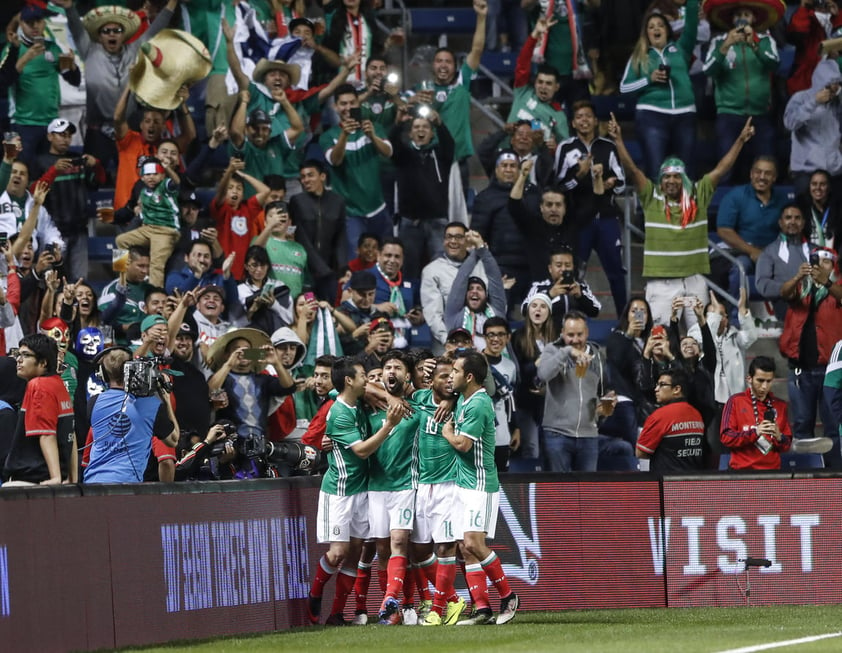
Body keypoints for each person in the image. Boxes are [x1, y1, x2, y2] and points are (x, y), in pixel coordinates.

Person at [608, 111, 755, 327]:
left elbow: (722, 168)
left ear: (684, 178)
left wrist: (741, 140)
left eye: (676, 176)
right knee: (660, 337)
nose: (671, 181)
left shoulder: (698, 194)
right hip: (661, 284)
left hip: (694, 281)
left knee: (701, 338)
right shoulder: (651, 196)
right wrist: (619, 141)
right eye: (666, 176)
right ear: (661, 179)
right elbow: (632, 169)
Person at [306, 357, 404, 625]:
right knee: (338, 552)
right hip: (339, 491)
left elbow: (364, 388)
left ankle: (337, 613)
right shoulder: (337, 414)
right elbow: (361, 451)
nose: (368, 380)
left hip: (362, 490)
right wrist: (388, 426)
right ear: (349, 380)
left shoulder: (357, 398)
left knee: (356, 551)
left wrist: (378, 393)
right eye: (363, 376)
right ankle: (315, 594)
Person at [443, 351, 519, 625]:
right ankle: (483, 609)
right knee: (465, 547)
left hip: (480, 484)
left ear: (470, 376)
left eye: (455, 370)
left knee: (475, 543)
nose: (450, 375)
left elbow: (464, 445)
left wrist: (447, 433)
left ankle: (508, 596)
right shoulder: (464, 400)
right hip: (464, 483)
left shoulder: (478, 405)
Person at [58, 0, 177, 169]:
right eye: (106, 31)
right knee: (93, 179)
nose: (112, 34)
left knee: (134, 177)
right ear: (99, 36)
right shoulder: (90, 50)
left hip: (130, 129)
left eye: (117, 31)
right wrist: (70, 8)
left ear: (124, 35)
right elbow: (77, 29)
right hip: (98, 132)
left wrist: (172, 3)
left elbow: (155, 29)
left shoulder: (135, 49)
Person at [555, 99, 627, 313]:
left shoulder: (608, 146)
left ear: (596, 121)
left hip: (606, 219)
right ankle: (570, 319)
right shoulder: (565, 148)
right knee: (574, 274)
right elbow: (558, 185)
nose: (584, 121)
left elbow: (622, 184)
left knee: (616, 272)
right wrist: (580, 174)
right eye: (579, 117)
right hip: (578, 221)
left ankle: (624, 320)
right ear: (573, 123)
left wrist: (610, 184)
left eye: (588, 116)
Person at [367, 350, 422, 625]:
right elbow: (342, 388)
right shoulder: (371, 406)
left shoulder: (416, 408)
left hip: (404, 485)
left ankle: (392, 602)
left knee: (400, 542)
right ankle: (396, 610)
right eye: (387, 367)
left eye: (397, 368)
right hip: (376, 486)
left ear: (407, 375)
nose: (391, 372)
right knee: (382, 550)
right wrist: (387, 398)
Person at [413, 356, 467, 626]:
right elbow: (379, 391)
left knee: (445, 546)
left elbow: (487, 386)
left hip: (450, 484)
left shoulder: (462, 404)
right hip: (423, 485)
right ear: (430, 380)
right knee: (420, 549)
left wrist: (451, 400)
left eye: (452, 376)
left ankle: (436, 609)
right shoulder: (420, 399)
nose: (449, 380)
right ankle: (455, 600)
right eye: (443, 376)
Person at [619, 0, 699, 179]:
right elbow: (624, 88)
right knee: (656, 170)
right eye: (651, 26)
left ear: (667, 30)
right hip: (652, 116)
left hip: (684, 114)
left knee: (685, 171)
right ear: (646, 33)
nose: (656, 29)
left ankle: (686, 207)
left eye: (661, 25)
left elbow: (692, 20)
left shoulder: (681, 48)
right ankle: (657, 207)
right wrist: (649, 79)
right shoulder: (640, 55)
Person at [779, 246, 842, 468]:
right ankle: (804, 473)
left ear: (833, 265)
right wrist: (798, 275)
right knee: (802, 423)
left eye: (826, 261)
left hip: (831, 371)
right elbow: (784, 293)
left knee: (834, 424)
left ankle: (836, 471)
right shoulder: (802, 287)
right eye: (817, 261)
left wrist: (826, 282)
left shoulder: (837, 288)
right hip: (801, 368)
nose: (820, 265)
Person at [702, 3, 779, 184]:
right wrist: (726, 45)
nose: (742, 18)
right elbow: (708, 70)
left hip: (759, 114)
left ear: (754, 19)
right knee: (726, 168)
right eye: (738, 15)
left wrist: (755, 45)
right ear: (731, 20)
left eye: (746, 14)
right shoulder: (719, 41)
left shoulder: (766, 40)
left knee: (764, 168)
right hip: (729, 114)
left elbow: (774, 64)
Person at [83, 347, 179, 483]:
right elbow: (173, 439)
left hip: (92, 483)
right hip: (127, 487)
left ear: (103, 374)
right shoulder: (151, 405)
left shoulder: (93, 403)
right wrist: (167, 400)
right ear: (132, 369)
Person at [2, 3, 81, 168]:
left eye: (38, 21)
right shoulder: (13, 49)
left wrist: (72, 66)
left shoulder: (53, 47)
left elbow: (73, 80)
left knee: (49, 174)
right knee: (20, 171)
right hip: (23, 123)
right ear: (21, 24)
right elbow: (3, 81)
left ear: (44, 23)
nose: (34, 26)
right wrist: (26, 58)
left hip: (51, 124)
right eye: (29, 22)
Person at [536, 310, 614, 472]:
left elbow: (601, 392)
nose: (575, 340)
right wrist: (566, 352)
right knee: (560, 491)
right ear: (562, 333)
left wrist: (605, 406)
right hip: (557, 434)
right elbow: (543, 374)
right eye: (570, 335)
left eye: (580, 334)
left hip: (588, 435)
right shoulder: (552, 350)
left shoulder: (597, 356)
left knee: (586, 492)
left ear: (587, 333)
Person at [320, 84, 393, 253]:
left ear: (358, 104)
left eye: (352, 103)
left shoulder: (373, 128)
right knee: (355, 262)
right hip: (350, 213)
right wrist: (344, 135)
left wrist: (372, 136)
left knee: (386, 257)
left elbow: (388, 152)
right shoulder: (328, 136)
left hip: (378, 209)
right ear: (335, 107)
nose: (348, 108)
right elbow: (335, 160)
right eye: (343, 104)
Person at [31, 118, 105, 281]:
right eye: (61, 135)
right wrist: (53, 171)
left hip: (79, 230)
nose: (66, 139)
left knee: (80, 280)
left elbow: (97, 183)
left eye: (68, 136)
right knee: (52, 280)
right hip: (53, 231)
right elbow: (32, 192)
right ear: (50, 137)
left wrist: (96, 165)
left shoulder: (76, 159)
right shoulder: (40, 161)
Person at [715, 156, 790, 310]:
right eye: (758, 172)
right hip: (742, 252)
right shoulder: (736, 195)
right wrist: (753, 251)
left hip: (771, 252)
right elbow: (723, 230)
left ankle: (784, 318)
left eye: (768, 173)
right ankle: (737, 317)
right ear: (751, 174)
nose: (762, 177)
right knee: (740, 267)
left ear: (774, 177)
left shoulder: (782, 200)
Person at [2, 334, 76, 486]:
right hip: (49, 478)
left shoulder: (38, 386)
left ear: (43, 363)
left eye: (26, 355)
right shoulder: (59, 385)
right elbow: (71, 435)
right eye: (18, 354)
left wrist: (55, 478)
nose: (19, 360)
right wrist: (72, 476)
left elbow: (46, 434)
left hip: (32, 480)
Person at [390, 109, 455, 280]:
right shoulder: (403, 155)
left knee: (440, 269)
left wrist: (439, 123)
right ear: (410, 133)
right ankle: (410, 303)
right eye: (417, 127)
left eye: (425, 127)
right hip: (410, 222)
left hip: (437, 221)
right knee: (409, 270)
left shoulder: (440, 155)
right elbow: (392, 144)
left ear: (432, 133)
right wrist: (398, 124)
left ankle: (439, 305)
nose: (421, 130)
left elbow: (450, 144)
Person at [472, 149, 531, 310]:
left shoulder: (532, 194)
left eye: (513, 166)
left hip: (530, 266)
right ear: (496, 170)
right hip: (500, 267)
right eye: (504, 165)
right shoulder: (485, 198)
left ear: (519, 170)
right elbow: (477, 234)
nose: (508, 169)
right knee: (500, 315)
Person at [114, 157, 181, 288]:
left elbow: (176, 182)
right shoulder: (143, 193)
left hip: (166, 231)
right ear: (142, 177)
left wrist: (167, 168)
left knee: (156, 263)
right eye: (147, 174)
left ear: (162, 175)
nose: (151, 177)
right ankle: (121, 277)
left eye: (155, 174)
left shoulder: (165, 186)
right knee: (121, 240)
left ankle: (154, 296)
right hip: (147, 229)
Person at [421, 223, 487, 354]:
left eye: (458, 237)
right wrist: (450, 341)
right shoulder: (432, 270)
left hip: (479, 343)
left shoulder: (481, 266)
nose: (453, 241)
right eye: (449, 237)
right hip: (446, 344)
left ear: (467, 241)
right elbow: (433, 314)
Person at [290, 159, 348, 302]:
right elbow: (301, 237)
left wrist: (342, 269)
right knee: (308, 307)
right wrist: (320, 267)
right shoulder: (297, 201)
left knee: (327, 310)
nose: (306, 180)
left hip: (330, 273)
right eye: (303, 177)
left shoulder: (337, 201)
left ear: (322, 176)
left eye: (310, 175)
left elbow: (340, 237)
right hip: (306, 272)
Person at [510, 293, 556, 471]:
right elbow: (519, 372)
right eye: (534, 306)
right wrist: (538, 362)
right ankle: (531, 491)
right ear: (528, 311)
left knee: (551, 449)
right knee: (532, 449)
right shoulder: (518, 337)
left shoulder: (556, 338)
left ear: (549, 312)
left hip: (551, 403)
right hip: (526, 402)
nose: (538, 309)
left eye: (543, 306)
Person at [720, 356, 792, 470]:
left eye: (769, 381)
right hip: (742, 472)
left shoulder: (780, 405)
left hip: (773, 473)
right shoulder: (735, 401)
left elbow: (787, 445)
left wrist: (779, 437)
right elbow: (726, 437)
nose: (764, 386)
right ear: (749, 379)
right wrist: (755, 432)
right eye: (760, 380)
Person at [508, 160, 574, 282]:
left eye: (558, 205)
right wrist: (523, 175)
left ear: (565, 208)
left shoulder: (572, 226)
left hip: (569, 288)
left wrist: (597, 179)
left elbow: (596, 203)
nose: (553, 209)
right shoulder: (532, 226)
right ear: (541, 207)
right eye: (549, 205)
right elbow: (513, 204)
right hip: (538, 291)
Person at [783, 60, 842, 196]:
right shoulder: (801, 98)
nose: (835, 88)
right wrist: (814, 102)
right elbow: (789, 124)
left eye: (837, 83)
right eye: (831, 84)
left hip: (835, 169)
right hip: (807, 171)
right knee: (806, 212)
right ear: (821, 82)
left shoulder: (838, 102)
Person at [506, 18, 569, 145]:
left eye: (548, 83)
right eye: (540, 82)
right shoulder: (523, 91)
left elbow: (565, 148)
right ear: (534, 83)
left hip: (536, 162)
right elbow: (522, 65)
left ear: (557, 87)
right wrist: (535, 35)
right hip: (508, 158)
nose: (543, 87)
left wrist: (555, 148)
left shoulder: (558, 116)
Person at [444, 232, 507, 352]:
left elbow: (495, 280)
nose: (474, 292)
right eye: (470, 289)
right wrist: (477, 252)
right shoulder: (454, 316)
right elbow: (461, 279)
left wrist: (482, 250)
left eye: (479, 289)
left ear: (486, 295)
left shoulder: (497, 311)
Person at [636, 368, 705, 474]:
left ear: (676, 389)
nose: (656, 389)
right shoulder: (697, 414)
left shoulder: (660, 415)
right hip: (693, 483)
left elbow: (641, 453)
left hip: (667, 482)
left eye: (662, 384)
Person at [521, 246, 600, 329]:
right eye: (558, 265)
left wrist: (580, 297)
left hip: (574, 337)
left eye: (567, 265)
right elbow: (525, 311)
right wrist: (548, 296)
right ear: (550, 268)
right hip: (547, 337)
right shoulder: (539, 287)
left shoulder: (581, 287)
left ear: (573, 267)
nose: (563, 269)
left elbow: (595, 311)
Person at [755, 205, 811, 319]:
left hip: (814, 304)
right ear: (780, 223)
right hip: (785, 304)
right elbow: (762, 284)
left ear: (803, 223)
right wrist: (786, 289)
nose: (793, 221)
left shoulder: (815, 250)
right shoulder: (769, 252)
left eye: (797, 218)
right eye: (788, 217)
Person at [481, 317, 519, 471]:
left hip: (502, 434)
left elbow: (511, 400)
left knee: (501, 482)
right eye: (491, 335)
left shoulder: (510, 366)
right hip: (480, 434)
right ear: (484, 337)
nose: (496, 339)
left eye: (501, 334)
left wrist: (515, 428)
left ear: (508, 337)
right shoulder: (475, 363)